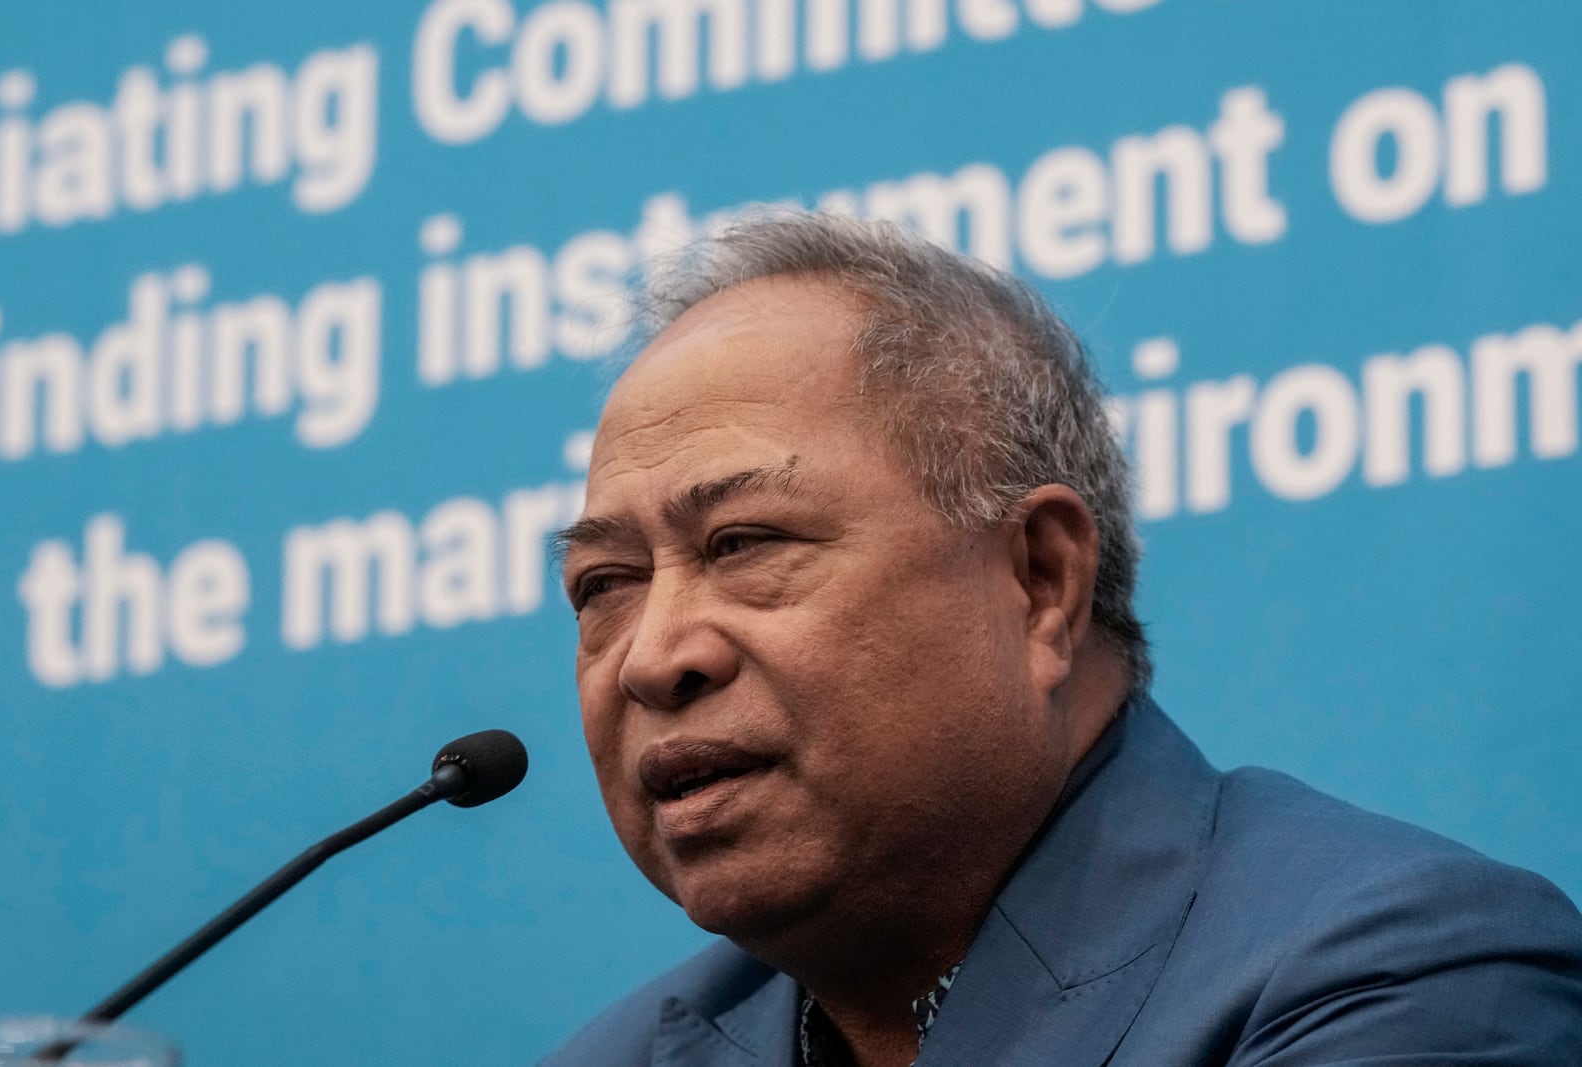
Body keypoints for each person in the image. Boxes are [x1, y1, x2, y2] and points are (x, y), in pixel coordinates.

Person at [543, 210, 1582, 1066]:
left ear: (1040, 579)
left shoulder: (1396, 976)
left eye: (742, 542)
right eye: (604, 584)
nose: (652, 655)